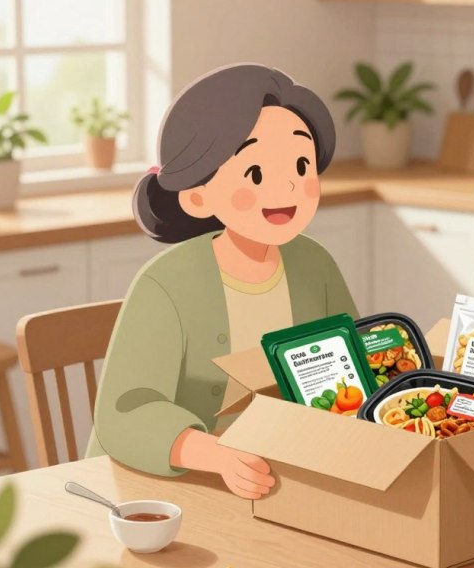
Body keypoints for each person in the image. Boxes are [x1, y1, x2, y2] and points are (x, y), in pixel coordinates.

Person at [86, 64, 357, 500]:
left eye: (301, 165)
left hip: (278, 475)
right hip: (160, 491)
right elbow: (126, 411)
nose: (288, 186)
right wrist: (217, 456)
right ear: (197, 196)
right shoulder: (165, 283)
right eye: (256, 173)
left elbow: (354, 366)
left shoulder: (315, 264)